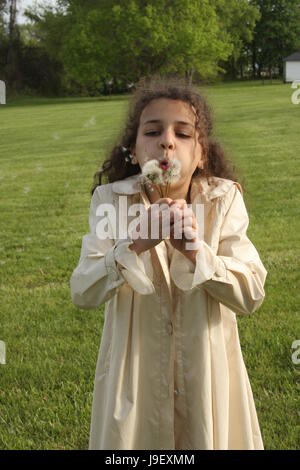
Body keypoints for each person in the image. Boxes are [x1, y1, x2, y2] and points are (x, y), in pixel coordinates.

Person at [70, 75, 268, 450]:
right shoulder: (111, 202)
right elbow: (83, 289)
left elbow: (252, 293)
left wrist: (198, 253)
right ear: (132, 151)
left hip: (207, 378)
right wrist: (133, 244)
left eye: (184, 133)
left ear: (202, 153)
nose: (167, 141)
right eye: (153, 131)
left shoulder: (222, 200)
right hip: (135, 380)